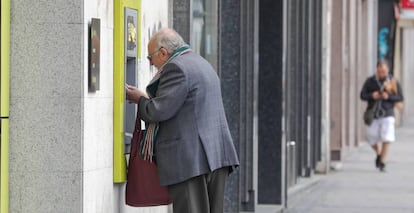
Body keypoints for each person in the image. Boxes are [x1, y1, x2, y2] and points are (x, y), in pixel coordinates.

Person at [126, 28, 239, 213]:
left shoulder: (176, 67)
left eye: (150, 58)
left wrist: (139, 98)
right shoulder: (200, 62)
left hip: (191, 159)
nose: (151, 63)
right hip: (215, 155)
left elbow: (158, 111)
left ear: (163, 52)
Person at [360, 60, 403, 171]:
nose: (382, 74)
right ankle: (378, 153)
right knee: (371, 137)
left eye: (384, 71)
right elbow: (362, 95)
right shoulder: (370, 81)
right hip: (373, 113)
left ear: (387, 70)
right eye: (380, 71)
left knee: (387, 137)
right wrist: (372, 95)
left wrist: (387, 97)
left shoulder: (393, 81)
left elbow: (400, 97)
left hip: (387, 113)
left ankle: (382, 162)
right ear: (377, 70)